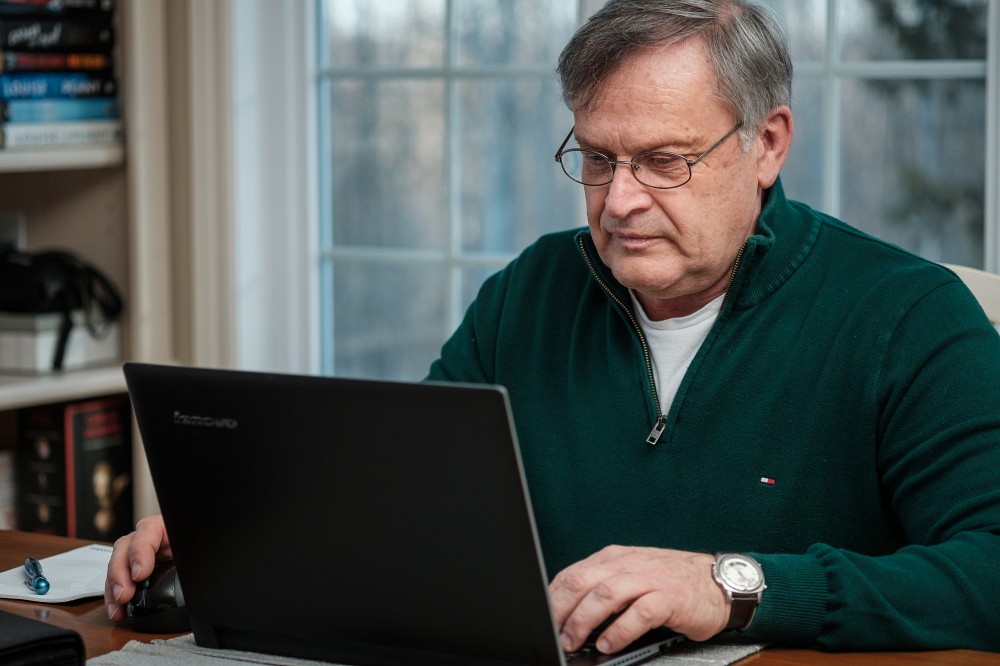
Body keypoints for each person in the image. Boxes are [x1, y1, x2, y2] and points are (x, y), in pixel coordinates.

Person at [106, 0, 1000, 655]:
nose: (619, 202)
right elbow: (403, 490)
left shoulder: (908, 317)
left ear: (766, 144)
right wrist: (241, 525)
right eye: (598, 157)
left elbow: (988, 569)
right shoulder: (531, 290)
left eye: (664, 161)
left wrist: (732, 584)